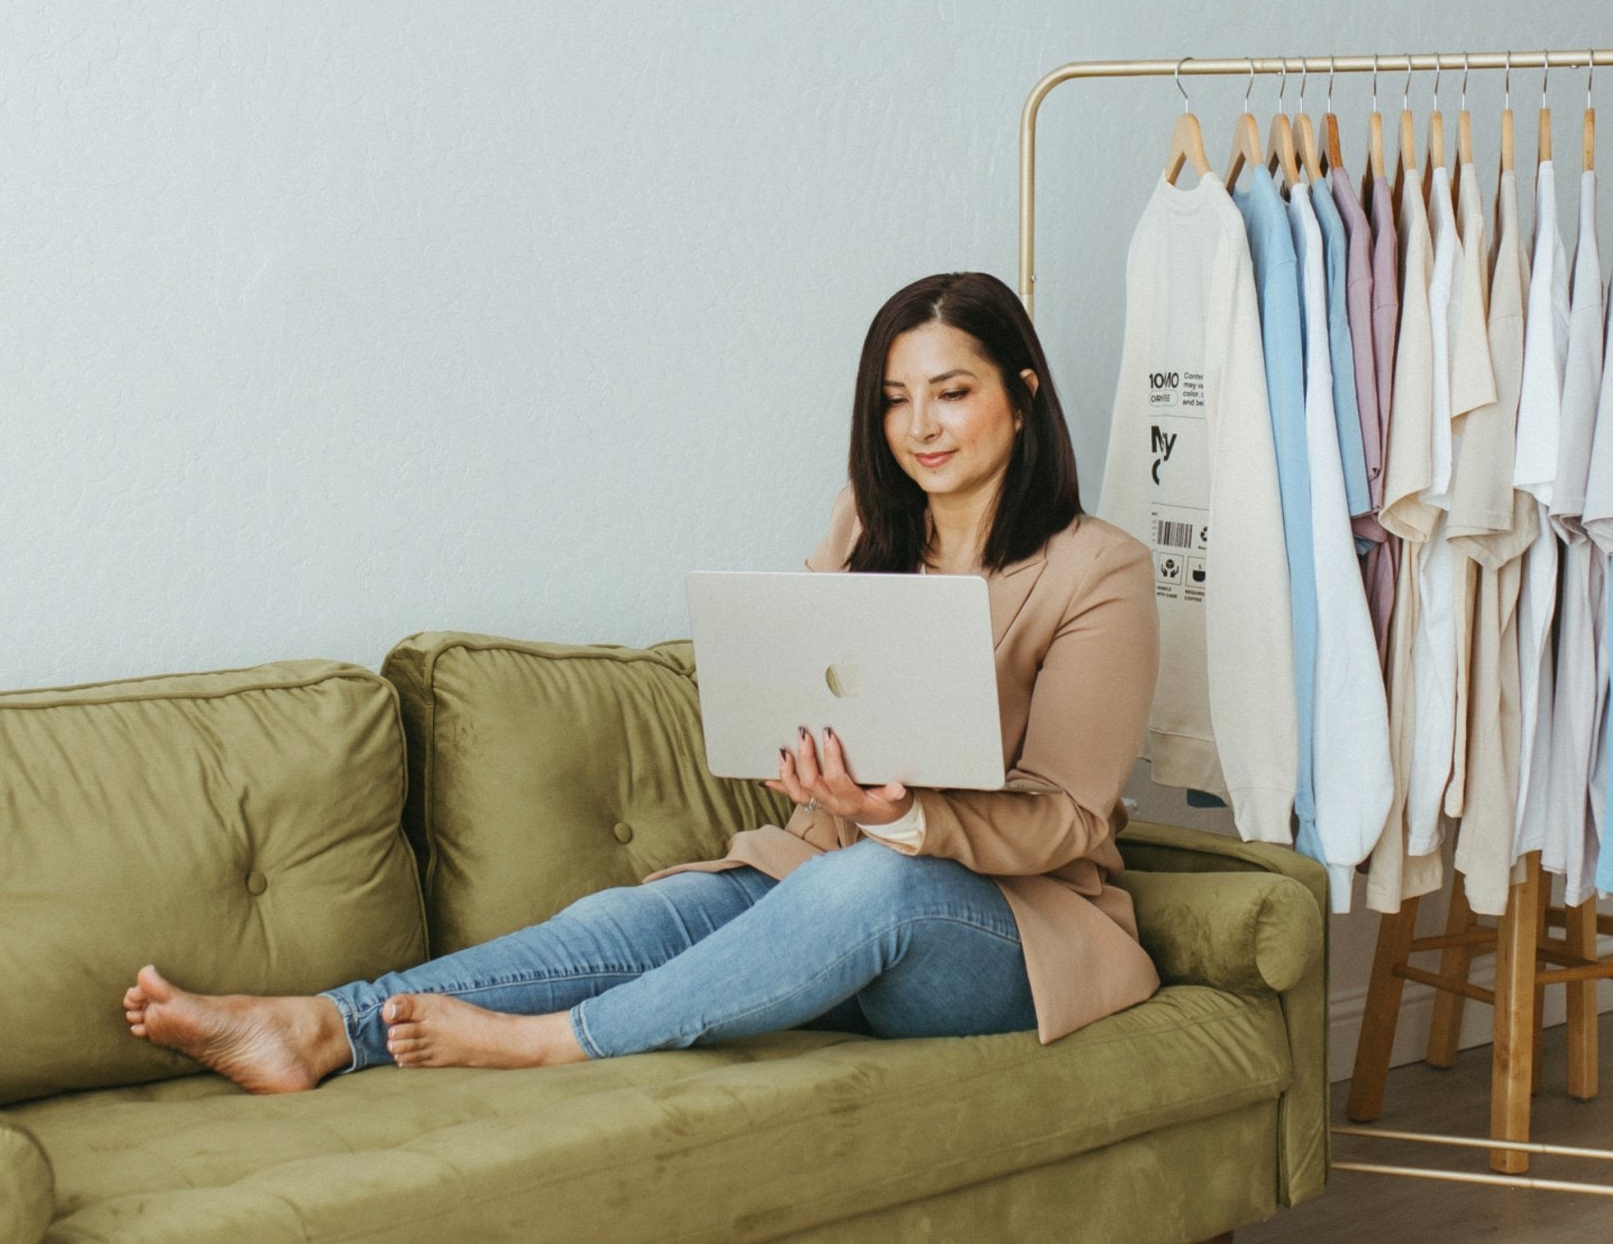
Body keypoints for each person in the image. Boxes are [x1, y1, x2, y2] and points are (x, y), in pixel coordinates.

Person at [123, 271, 1162, 1093]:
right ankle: (320, 1026)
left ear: (1022, 397)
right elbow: (804, 696)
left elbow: (1068, 814)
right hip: (821, 881)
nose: (919, 426)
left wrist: (902, 820)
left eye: (951, 392)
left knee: (872, 883)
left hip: (1003, 932)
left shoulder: (1096, 569)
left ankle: (554, 1041)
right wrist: (806, 763)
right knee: (633, 919)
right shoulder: (864, 521)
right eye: (895, 400)